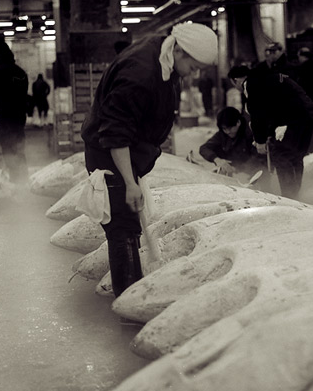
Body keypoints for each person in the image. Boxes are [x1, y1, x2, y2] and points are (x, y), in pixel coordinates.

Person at [81, 23, 218, 298]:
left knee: (127, 223)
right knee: (123, 228)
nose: (196, 73)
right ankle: (130, 301)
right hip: (111, 155)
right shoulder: (140, 73)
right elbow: (116, 133)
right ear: (179, 51)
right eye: (194, 66)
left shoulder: (163, 51)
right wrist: (129, 183)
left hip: (130, 152)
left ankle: (132, 291)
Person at [228, 64, 313, 199]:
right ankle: (296, 196)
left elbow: (258, 113)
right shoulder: (267, 77)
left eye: (233, 84)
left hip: (294, 118)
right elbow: (272, 108)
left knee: (281, 155)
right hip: (307, 116)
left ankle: (290, 198)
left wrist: (260, 141)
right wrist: (269, 134)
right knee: (295, 156)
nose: (236, 88)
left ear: (237, 80)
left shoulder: (252, 83)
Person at [0, 41, 29, 184]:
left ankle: (15, 179)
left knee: (8, 146)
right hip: (19, 115)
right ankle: (22, 178)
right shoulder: (20, 72)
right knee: (18, 145)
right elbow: (24, 92)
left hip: (5, 115)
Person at [199, 106, 262, 176]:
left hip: (253, 172)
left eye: (229, 128)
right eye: (224, 129)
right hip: (233, 170)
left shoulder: (250, 133)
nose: (227, 132)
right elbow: (204, 148)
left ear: (238, 122)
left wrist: (238, 169)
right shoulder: (222, 134)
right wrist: (217, 160)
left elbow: (258, 158)